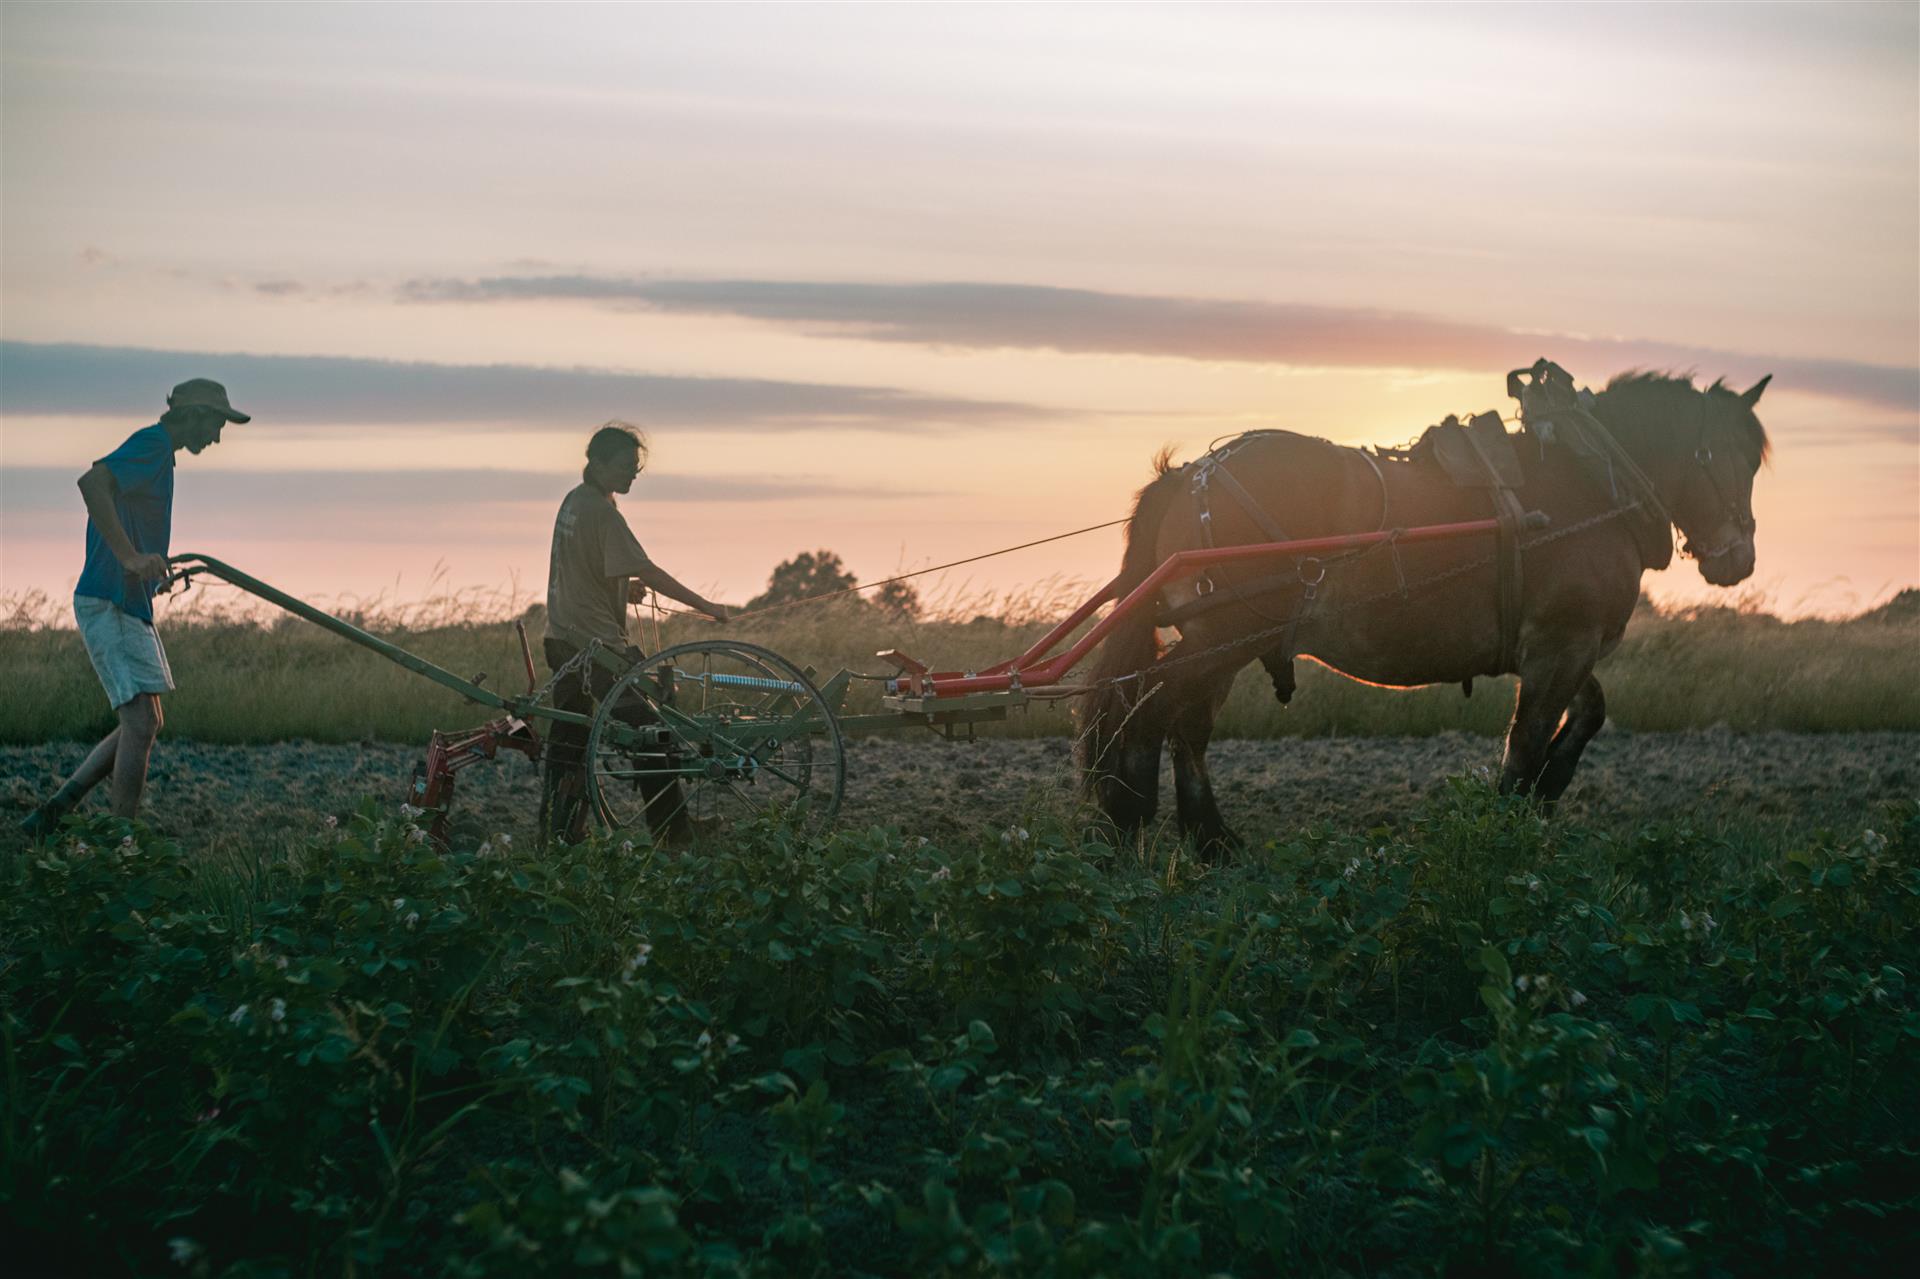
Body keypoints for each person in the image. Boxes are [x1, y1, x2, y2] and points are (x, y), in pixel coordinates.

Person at [19, 378, 250, 838]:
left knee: (149, 721)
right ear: (193, 414)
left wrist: (149, 565)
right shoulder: (152, 444)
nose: (219, 435)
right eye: (217, 423)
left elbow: (123, 512)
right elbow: (92, 482)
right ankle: (118, 844)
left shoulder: (161, 456)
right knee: (139, 721)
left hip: (127, 599)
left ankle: (51, 815)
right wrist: (128, 558)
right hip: (108, 597)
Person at [541, 422, 732, 844]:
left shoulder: (576, 502)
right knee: (653, 731)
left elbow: (582, 563)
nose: (633, 475)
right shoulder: (602, 512)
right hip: (593, 647)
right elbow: (647, 569)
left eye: (636, 467)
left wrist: (620, 588)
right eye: (626, 466)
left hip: (561, 637)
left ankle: (558, 832)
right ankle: (674, 833)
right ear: (597, 462)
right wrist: (708, 607)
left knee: (569, 740)